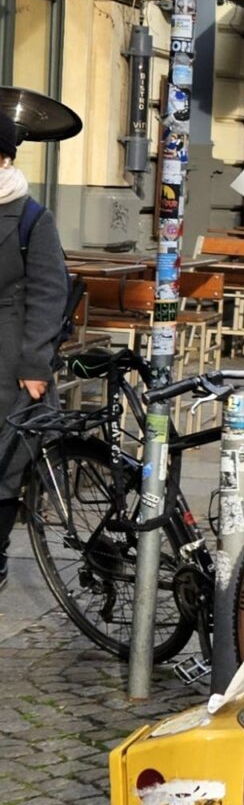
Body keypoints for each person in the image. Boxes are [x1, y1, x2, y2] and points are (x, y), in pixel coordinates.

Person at [0, 124, 68, 593]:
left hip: (9, 359)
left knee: (4, 463)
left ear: (4, 158)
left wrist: (34, 364)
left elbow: (49, 294)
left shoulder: (29, 217)